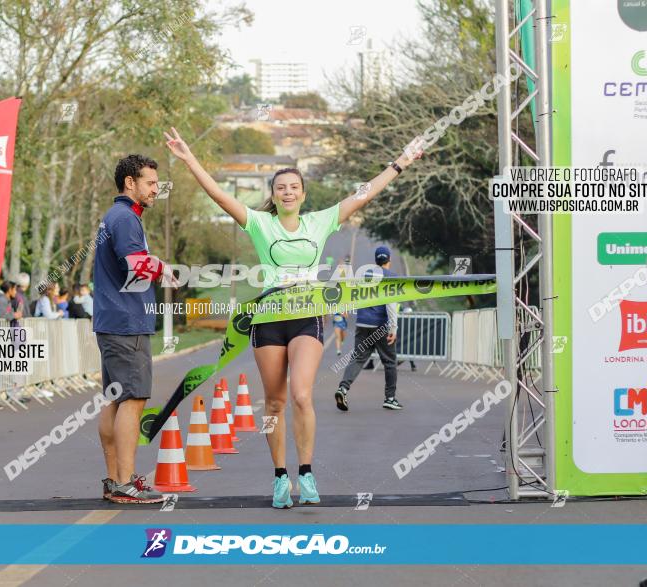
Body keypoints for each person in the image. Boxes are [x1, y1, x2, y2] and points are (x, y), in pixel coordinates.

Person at [166, 126, 421, 508]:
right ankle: (280, 477)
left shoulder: (320, 222)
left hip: (306, 317)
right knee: (273, 404)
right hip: (269, 319)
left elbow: (363, 194)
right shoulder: (259, 223)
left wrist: (401, 162)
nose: (287, 192)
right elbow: (218, 194)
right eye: (280, 187)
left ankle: (306, 472)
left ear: (303, 194)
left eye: (293, 187)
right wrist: (190, 160)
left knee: (302, 395)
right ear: (273, 194)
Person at [94, 154, 175, 504]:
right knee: (134, 398)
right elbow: (135, 265)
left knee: (114, 398)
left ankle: (115, 480)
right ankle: (126, 481)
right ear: (131, 183)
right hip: (127, 322)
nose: (156, 189)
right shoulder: (125, 218)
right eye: (151, 183)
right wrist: (162, 267)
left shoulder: (116, 216)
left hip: (113, 320)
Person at [335, 246, 402, 411]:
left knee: (357, 359)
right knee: (389, 362)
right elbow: (391, 304)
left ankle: (343, 388)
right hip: (381, 325)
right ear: (389, 260)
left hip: (363, 323)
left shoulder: (365, 275)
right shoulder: (391, 276)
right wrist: (393, 328)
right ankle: (390, 398)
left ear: (376, 260)